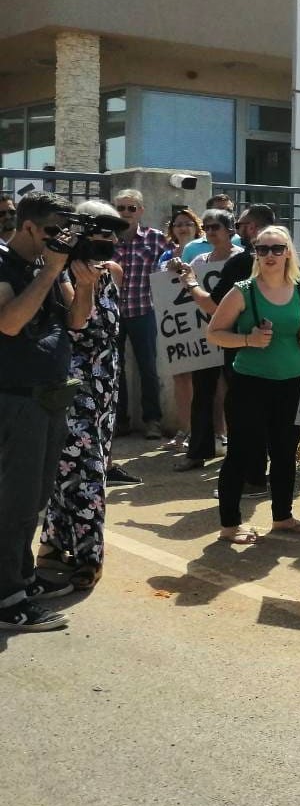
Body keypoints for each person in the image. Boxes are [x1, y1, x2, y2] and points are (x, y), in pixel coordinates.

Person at [0, 191, 90, 631]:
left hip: (49, 396)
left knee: (33, 498)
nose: (60, 239)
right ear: (29, 226)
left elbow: (76, 320)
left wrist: (85, 282)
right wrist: (52, 269)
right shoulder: (5, 265)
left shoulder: (47, 265)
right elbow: (9, 323)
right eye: (52, 231)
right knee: (13, 500)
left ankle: (21, 577)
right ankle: (6, 599)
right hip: (15, 398)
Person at [205, 224, 300, 544]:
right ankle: (230, 525)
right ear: (255, 253)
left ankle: (282, 517)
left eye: (277, 249)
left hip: (292, 383)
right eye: (263, 249)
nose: (270, 255)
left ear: (288, 253)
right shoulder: (243, 290)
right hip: (250, 384)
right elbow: (214, 333)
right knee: (240, 453)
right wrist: (247, 340)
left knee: (284, 453)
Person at [38, 200, 125, 591]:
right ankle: (88, 555)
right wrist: (86, 285)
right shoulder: (59, 272)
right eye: (101, 232)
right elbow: (77, 322)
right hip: (73, 383)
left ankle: (55, 544)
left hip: (106, 382)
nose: (109, 240)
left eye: (114, 234)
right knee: (80, 471)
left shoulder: (114, 271)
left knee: (84, 465)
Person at [170, 208, 244, 471]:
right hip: (204, 337)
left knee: (236, 395)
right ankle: (198, 452)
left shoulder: (241, 260)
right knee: (202, 394)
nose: (211, 232)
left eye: (216, 227)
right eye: (208, 227)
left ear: (230, 230)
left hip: (234, 337)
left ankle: (238, 455)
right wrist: (177, 270)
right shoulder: (200, 261)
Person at [111, 188, 171, 439]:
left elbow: (172, 260)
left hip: (143, 310)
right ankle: (119, 421)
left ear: (141, 211)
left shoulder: (154, 238)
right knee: (114, 368)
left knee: (148, 367)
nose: (126, 212)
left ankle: (152, 420)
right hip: (112, 313)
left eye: (131, 208)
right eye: (121, 208)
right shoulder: (107, 238)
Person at [156, 208, 203, 451]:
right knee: (181, 379)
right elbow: (161, 286)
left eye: (188, 223)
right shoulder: (165, 256)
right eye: (178, 224)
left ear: (196, 227)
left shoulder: (205, 252)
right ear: (172, 230)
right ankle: (184, 430)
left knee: (205, 381)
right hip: (177, 326)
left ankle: (212, 432)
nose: (183, 228)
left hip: (202, 323)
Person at [180, 193, 241, 260]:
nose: (226, 214)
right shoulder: (191, 249)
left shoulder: (241, 243)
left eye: (229, 210)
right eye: (220, 211)